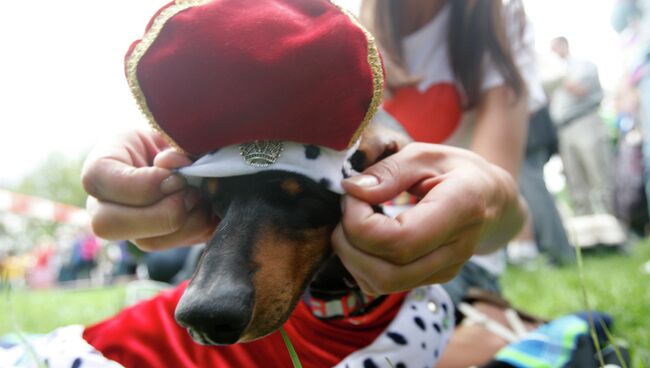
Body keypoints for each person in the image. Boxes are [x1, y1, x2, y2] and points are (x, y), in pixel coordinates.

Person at [78, 0, 527, 367]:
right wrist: (149, 145)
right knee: (171, 263)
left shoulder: (497, 25)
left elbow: (499, 218)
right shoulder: (326, 37)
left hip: (448, 257)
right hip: (298, 251)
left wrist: (490, 197)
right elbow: (257, 154)